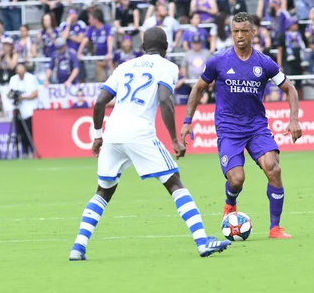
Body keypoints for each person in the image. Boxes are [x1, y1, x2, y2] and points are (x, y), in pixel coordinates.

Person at [68, 26, 232, 261]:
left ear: (143, 47)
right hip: (139, 133)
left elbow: (99, 102)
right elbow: (164, 100)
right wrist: (174, 139)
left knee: (103, 191)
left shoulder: (123, 67)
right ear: (166, 48)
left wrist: (97, 135)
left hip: (113, 132)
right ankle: (202, 241)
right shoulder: (168, 66)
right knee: (174, 183)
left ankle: (78, 247)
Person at [180, 12, 301, 239]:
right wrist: (187, 121)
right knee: (236, 179)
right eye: (235, 32)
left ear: (253, 32)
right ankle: (230, 202)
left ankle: (275, 228)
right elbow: (197, 89)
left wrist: (293, 119)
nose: (239, 36)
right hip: (228, 129)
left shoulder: (264, 63)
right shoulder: (218, 61)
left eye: (244, 31)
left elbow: (290, 89)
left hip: (256, 127)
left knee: (273, 168)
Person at [8, 64, 39, 158]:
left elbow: (35, 94)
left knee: (29, 132)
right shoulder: (13, 79)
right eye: (18, 72)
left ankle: (32, 151)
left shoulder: (31, 78)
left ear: (25, 70)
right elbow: (10, 93)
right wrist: (12, 96)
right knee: (19, 132)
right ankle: (24, 152)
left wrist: (23, 97)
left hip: (29, 109)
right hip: (18, 109)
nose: (20, 74)